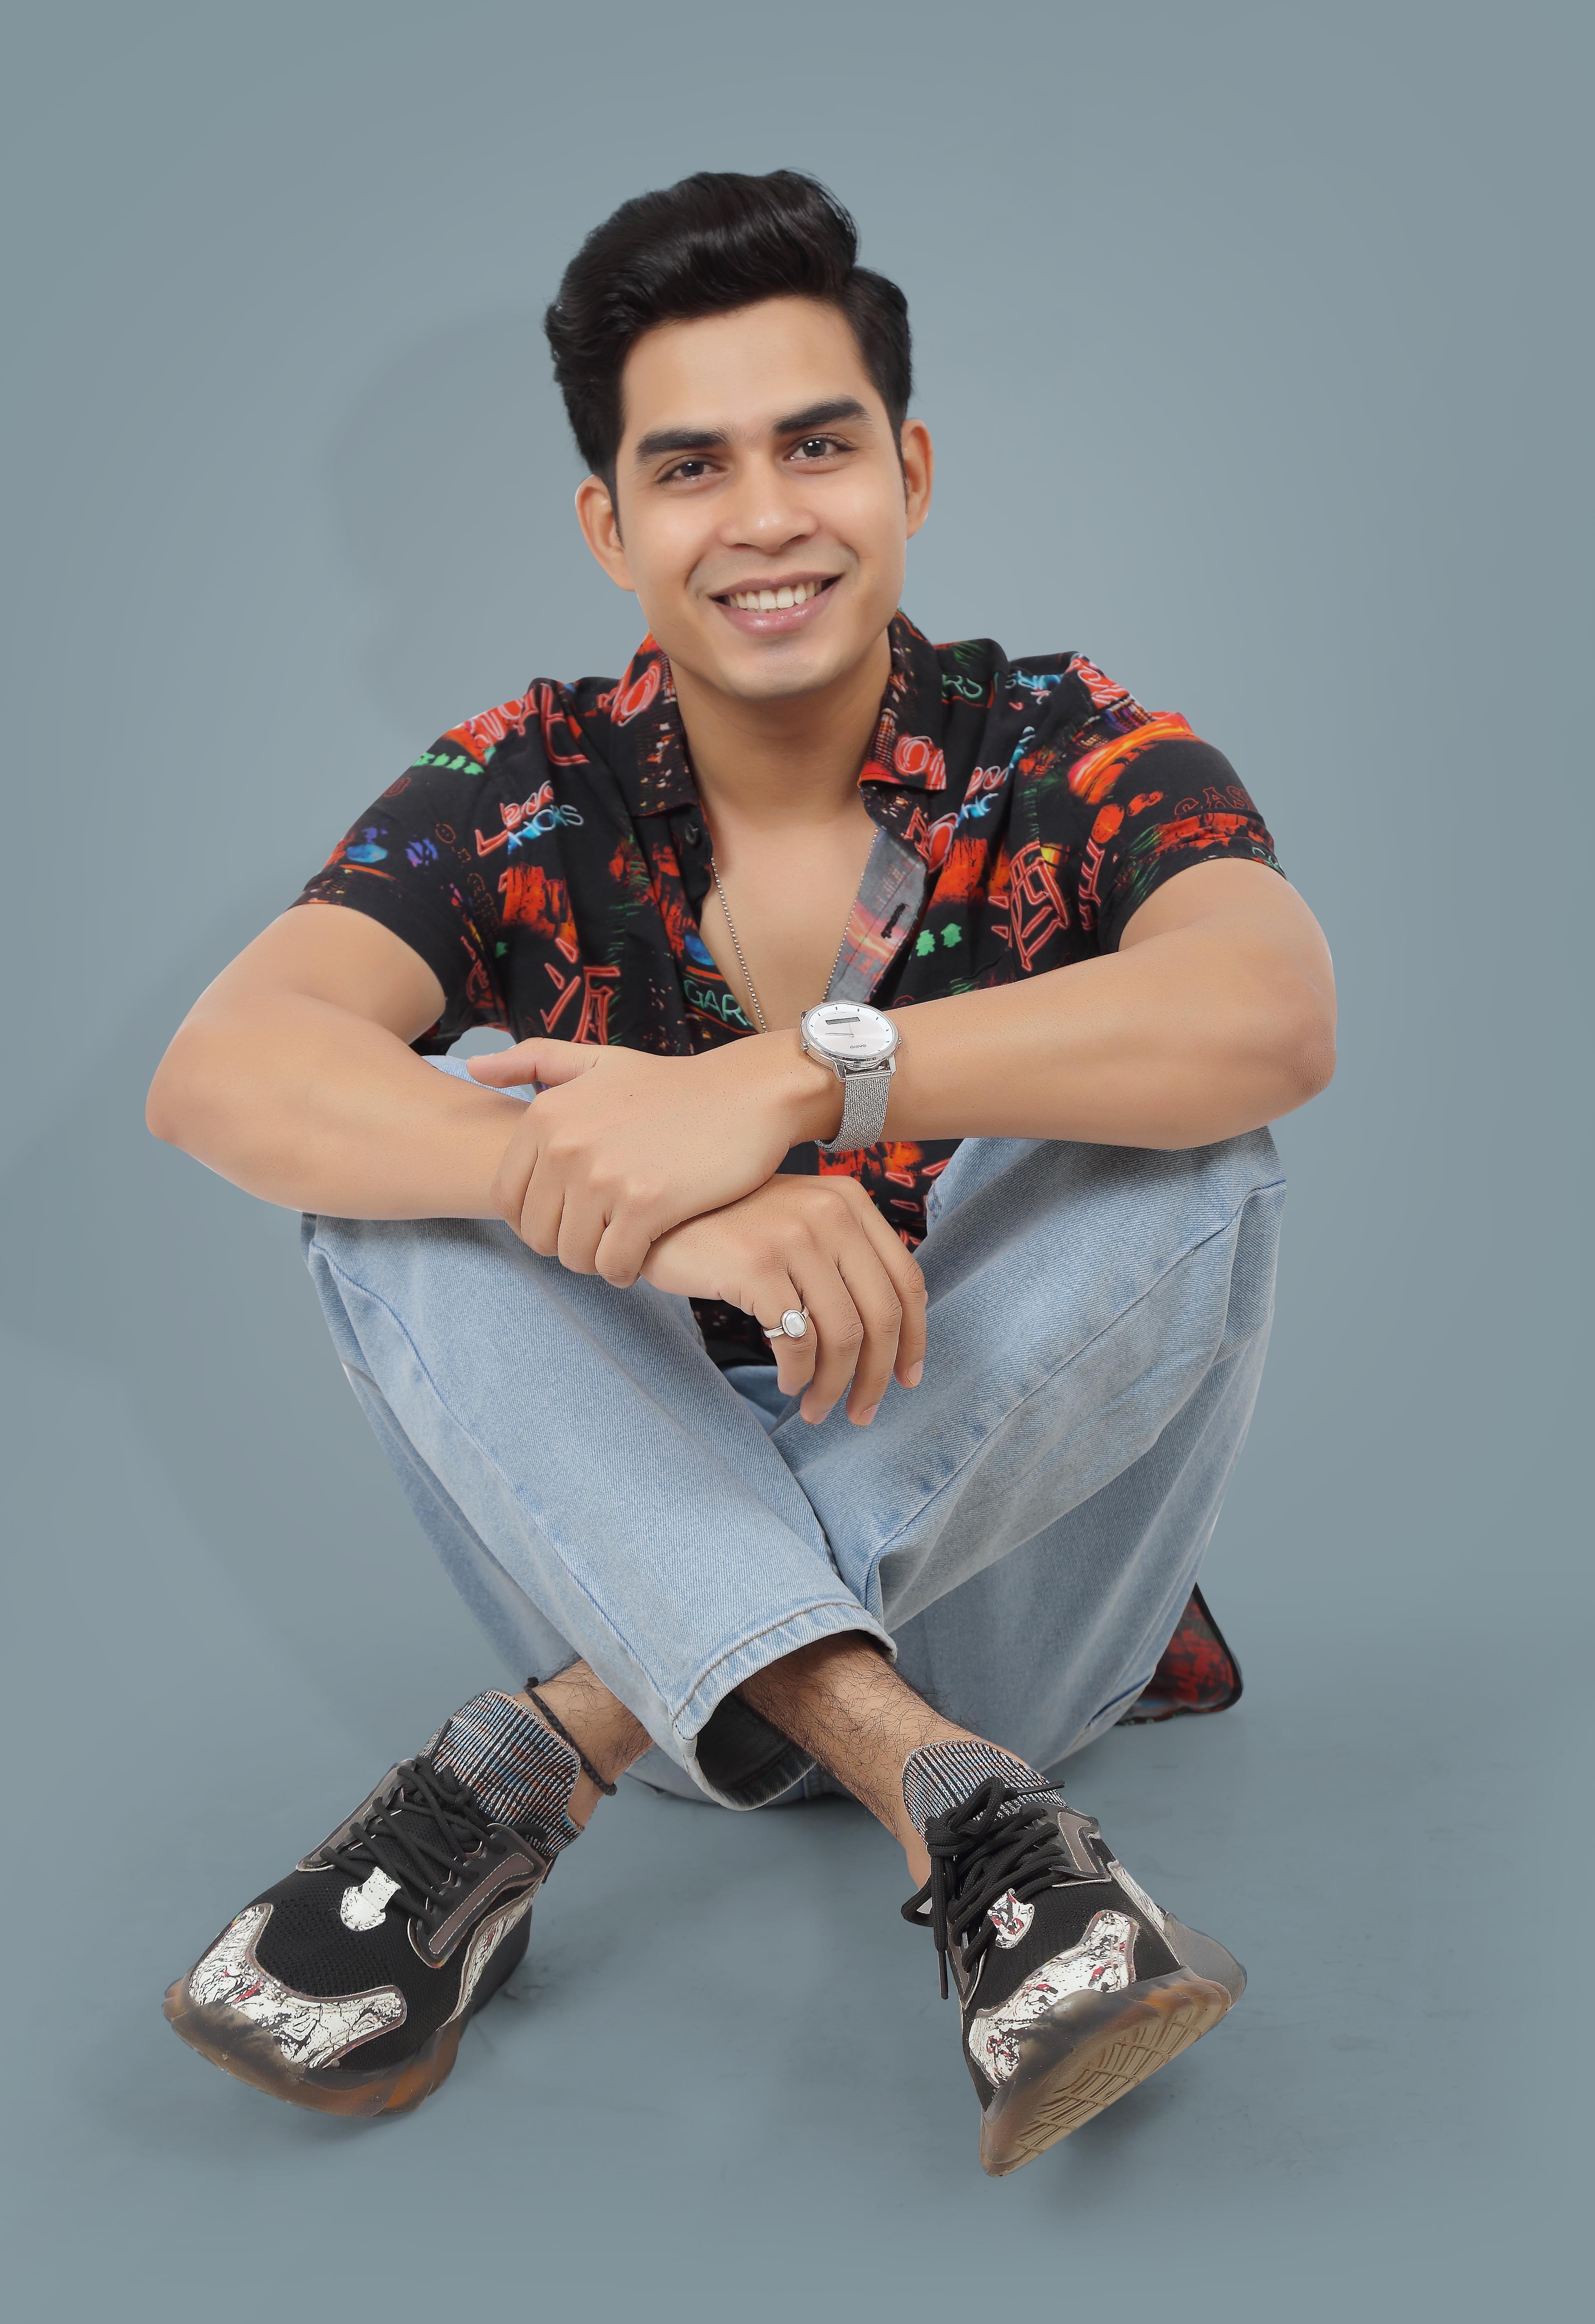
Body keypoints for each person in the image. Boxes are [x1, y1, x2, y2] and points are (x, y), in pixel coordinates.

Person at [147, 169, 1335, 2173]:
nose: (766, 515)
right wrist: (658, 1196)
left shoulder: (1068, 747)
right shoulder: (521, 784)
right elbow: (227, 1067)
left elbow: (1274, 1007)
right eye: (691, 467)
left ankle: (528, 1769)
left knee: (1182, 1140)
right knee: (407, 1170)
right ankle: (969, 1819)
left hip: (1013, 1621)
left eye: (818, 445)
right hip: (630, 1546)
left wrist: (801, 1085)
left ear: (909, 472)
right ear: (610, 527)